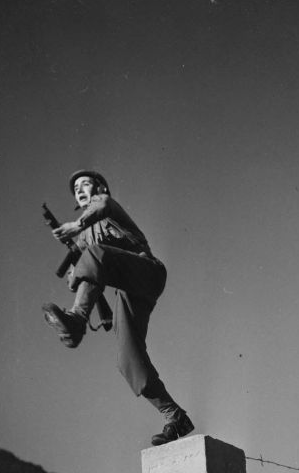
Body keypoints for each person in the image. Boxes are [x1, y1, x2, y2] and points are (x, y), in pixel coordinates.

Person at [42, 170, 194, 446]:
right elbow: (75, 282)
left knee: (95, 255)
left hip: (147, 270)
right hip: (128, 289)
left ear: (99, 187)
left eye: (84, 184)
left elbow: (100, 208)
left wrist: (77, 228)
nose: (79, 190)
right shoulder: (85, 236)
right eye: (75, 188)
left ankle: (77, 321)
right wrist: (74, 268)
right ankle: (174, 416)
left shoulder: (105, 205)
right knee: (128, 358)